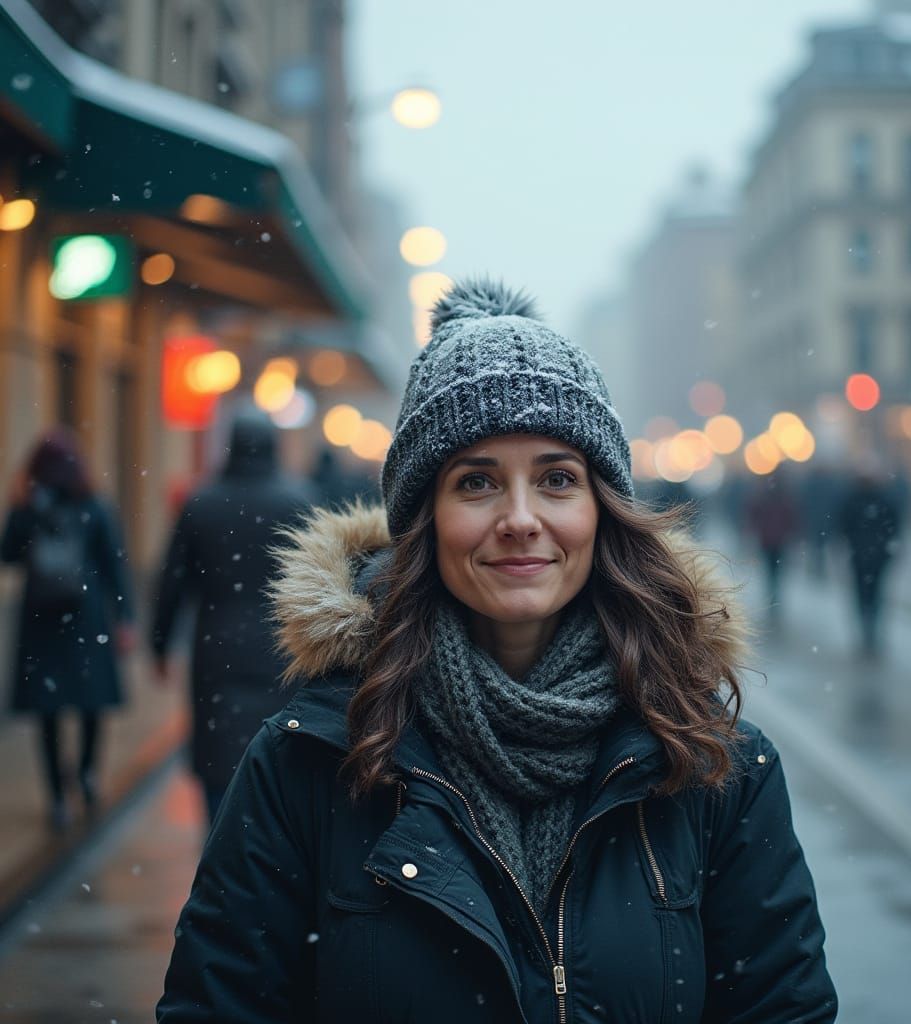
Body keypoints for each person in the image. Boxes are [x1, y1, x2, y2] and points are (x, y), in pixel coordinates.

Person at [158, 279, 837, 1022]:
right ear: (426, 519)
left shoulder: (712, 762)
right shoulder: (310, 761)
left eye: (556, 479)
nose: (520, 519)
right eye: (477, 481)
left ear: (600, 511)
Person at [150, 409, 313, 822]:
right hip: (280, 647)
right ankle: (268, 852)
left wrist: (160, 645)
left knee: (218, 754)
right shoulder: (297, 502)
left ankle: (218, 848)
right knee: (276, 750)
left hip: (216, 644)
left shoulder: (201, 503)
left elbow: (172, 582)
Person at [0, 429, 135, 829]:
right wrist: (125, 617)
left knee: (49, 708)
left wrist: (21, 506)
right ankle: (87, 774)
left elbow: (7, 555)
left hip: (41, 620)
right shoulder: (93, 505)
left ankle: (58, 795)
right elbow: (114, 565)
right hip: (85, 618)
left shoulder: (30, 505)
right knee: (89, 701)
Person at [838, 460, 902, 656]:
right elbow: (894, 526)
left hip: (862, 555)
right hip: (876, 555)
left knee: (863, 593)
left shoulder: (853, 500)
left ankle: (868, 629)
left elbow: (843, 526)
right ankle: (871, 629)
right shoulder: (883, 500)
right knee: (875, 593)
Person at [744, 467, 801, 625]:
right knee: (776, 571)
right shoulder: (785, 496)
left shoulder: (763, 495)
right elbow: (792, 517)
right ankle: (774, 597)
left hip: (768, 539)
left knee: (771, 571)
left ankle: (773, 597)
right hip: (778, 540)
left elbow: (753, 514)